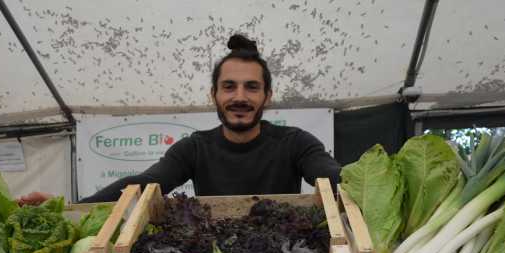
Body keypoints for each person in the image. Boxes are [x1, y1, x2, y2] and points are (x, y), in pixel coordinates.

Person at [19, 34, 340, 205]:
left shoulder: (295, 143)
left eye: (252, 87)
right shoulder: (195, 149)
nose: (240, 97)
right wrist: (73, 207)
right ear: (213, 95)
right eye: (229, 86)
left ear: (267, 96)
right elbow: (143, 185)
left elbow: (330, 175)